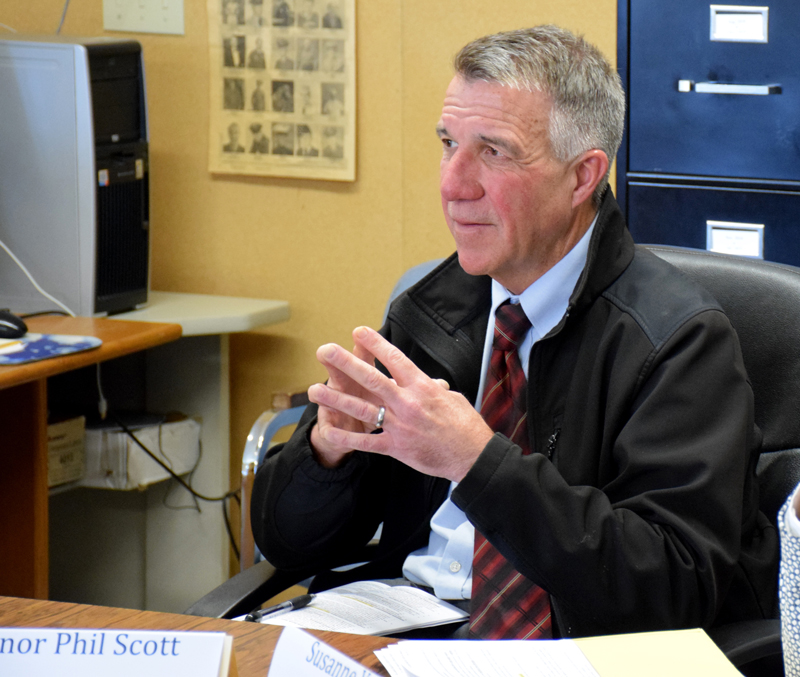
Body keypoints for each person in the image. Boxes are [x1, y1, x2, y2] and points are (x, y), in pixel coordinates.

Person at [251, 25, 777, 640]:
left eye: (493, 151)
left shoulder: (679, 341)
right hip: (411, 623)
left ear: (582, 178)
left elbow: (671, 588)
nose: (452, 184)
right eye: (449, 143)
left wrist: (477, 462)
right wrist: (327, 456)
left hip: (571, 647)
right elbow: (288, 545)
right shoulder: (432, 310)